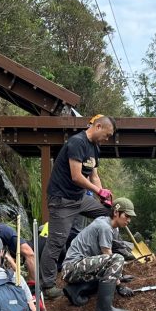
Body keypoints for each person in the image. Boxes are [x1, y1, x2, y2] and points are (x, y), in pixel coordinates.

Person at [41, 115, 117, 298]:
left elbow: (93, 176)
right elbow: (76, 176)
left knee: (110, 211)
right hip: (62, 200)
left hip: (79, 197)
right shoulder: (77, 142)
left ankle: (113, 251)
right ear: (98, 126)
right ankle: (48, 286)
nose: (107, 139)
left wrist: (103, 195)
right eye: (107, 135)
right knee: (56, 242)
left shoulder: (94, 148)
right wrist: (98, 192)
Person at [60, 197, 136, 311]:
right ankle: (104, 309)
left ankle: (75, 290)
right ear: (116, 213)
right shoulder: (104, 227)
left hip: (78, 266)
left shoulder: (110, 225)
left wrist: (120, 275)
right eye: (126, 216)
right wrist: (119, 285)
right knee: (117, 259)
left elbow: (110, 256)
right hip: (72, 267)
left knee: (112, 265)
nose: (129, 220)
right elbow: (109, 258)